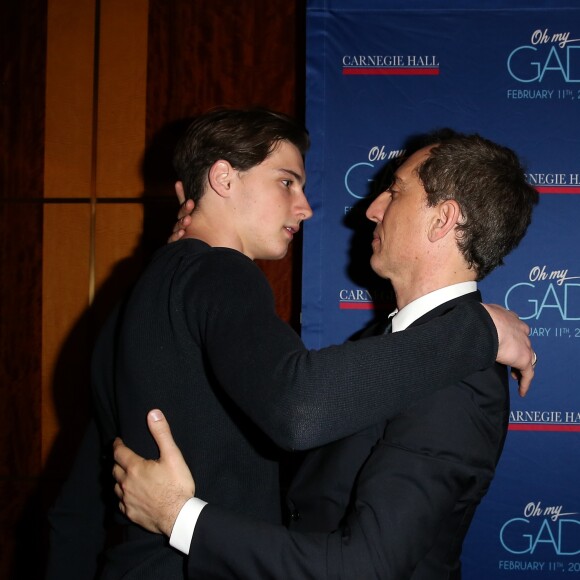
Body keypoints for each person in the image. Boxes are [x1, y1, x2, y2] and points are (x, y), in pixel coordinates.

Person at [46, 110, 534, 579]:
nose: (370, 208)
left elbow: (365, 561)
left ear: (442, 219)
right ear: (223, 180)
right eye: (286, 181)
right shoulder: (406, 346)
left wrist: (180, 516)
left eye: (394, 190)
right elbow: (296, 413)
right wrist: (480, 331)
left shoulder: (456, 377)